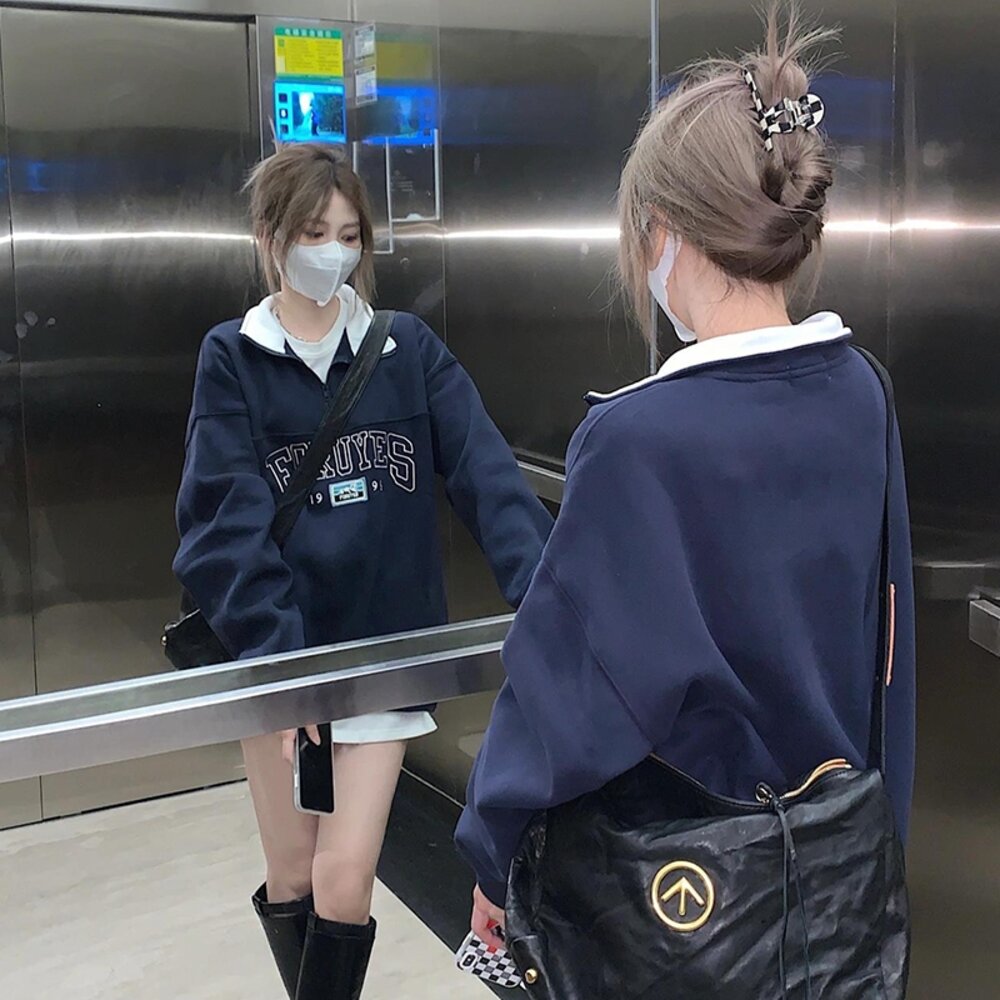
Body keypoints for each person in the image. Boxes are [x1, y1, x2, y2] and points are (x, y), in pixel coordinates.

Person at [456, 5, 915, 951]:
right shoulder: (861, 392)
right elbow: (887, 652)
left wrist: (494, 849)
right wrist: (880, 842)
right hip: (835, 874)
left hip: (689, 902)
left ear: (661, 230)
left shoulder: (640, 438)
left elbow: (575, 692)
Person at [173, 142, 552, 999]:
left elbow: (487, 475)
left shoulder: (403, 349)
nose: (333, 252)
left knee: (343, 880)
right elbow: (223, 525)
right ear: (270, 238)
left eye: (349, 235)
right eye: (314, 233)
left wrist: (545, 596)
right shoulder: (233, 357)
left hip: (381, 655)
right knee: (293, 875)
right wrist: (285, 664)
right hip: (281, 658)